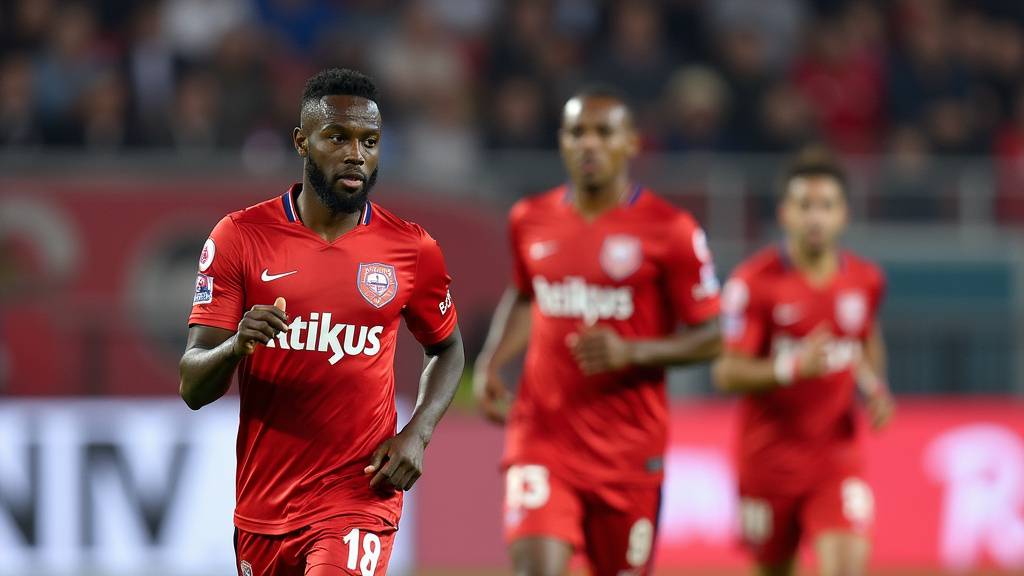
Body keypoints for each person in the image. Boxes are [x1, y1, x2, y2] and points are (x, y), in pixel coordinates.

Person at [178, 68, 464, 576]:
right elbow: (193, 385)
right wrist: (235, 347)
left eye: (369, 141)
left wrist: (418, 432)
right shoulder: (240, 238)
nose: (356, 153)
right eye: (337, 137)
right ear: (301, 143)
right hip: (264, 506)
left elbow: (447, 348)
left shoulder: (412, 250)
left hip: (360, 494)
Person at [473, 87, 723, 576]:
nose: (589, 144)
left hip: (628, 452)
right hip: (542, 437)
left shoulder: (670, 230)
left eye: (603, 133)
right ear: (562, 143)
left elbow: (713, 337)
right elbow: (527, 295)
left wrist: (631, 351)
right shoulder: (530, 219)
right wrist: (492, 360)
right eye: (576, 133)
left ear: (631, 143)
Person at [713, 148, 895, 576]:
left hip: (836, 458)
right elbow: (725, 372)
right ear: (784, 214)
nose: (816, 217)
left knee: (848, 566)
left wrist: (875, 389)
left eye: (826, 206)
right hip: (768, 462)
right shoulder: (753, 284)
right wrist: (791, 368)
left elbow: (865, 340)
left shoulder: (865, 280)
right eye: (804, 206)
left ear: (844, 215)